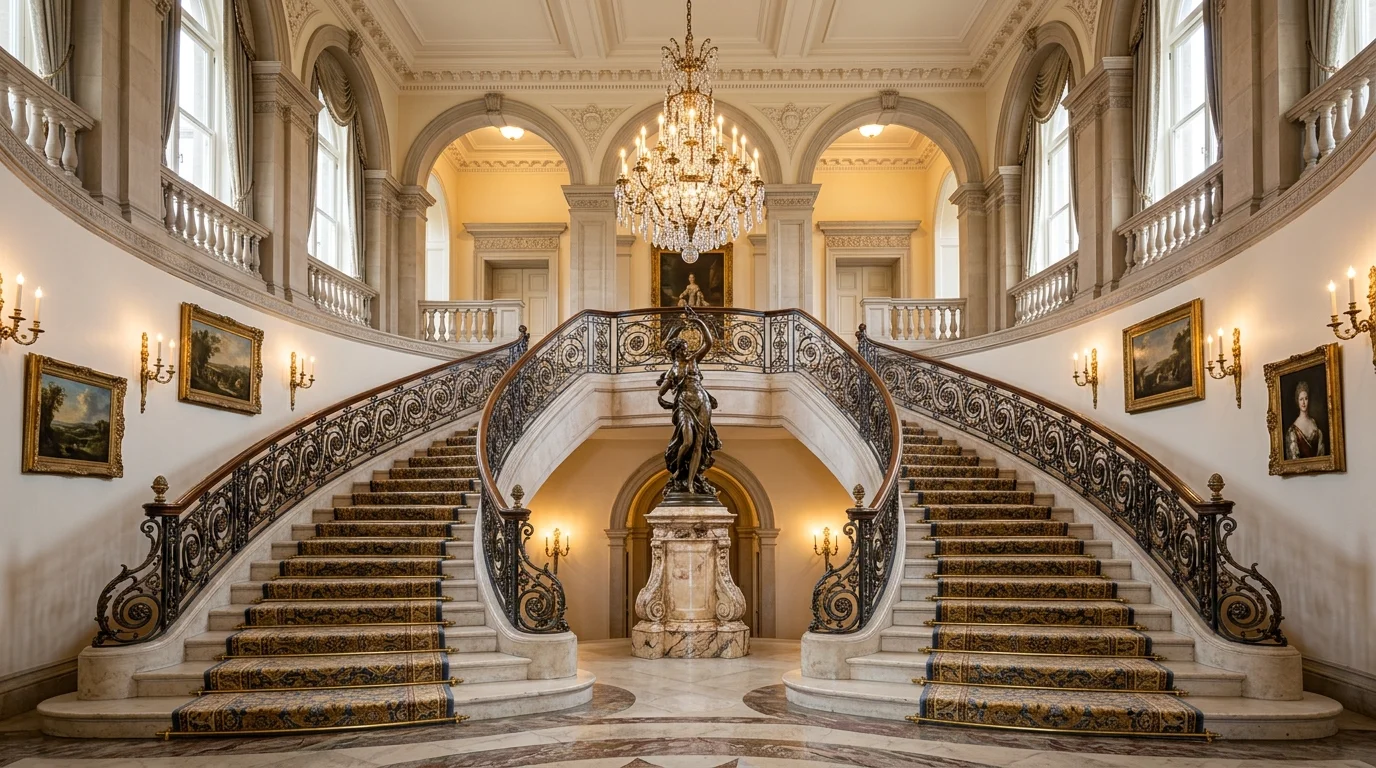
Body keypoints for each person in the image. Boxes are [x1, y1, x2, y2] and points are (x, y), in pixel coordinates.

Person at [656, 306, 721, 500]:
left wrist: (698, 322)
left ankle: (692, 482)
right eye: (682, 348)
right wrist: (665, 400)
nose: (686, 350)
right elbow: (661, 393)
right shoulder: (672, 371)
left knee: (699, 444)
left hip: (702, 401)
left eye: (686, 348)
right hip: (684, 403)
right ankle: (677, 470)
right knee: (687, 441)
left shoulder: (694, 361)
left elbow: (708, 343)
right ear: (675, 351)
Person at [1284, 379, 1327, 459]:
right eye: (1301, 399)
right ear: (1298, 401)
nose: (1304, 402)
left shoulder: (1315, 424)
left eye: (1306, 398)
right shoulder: (1293, 430)